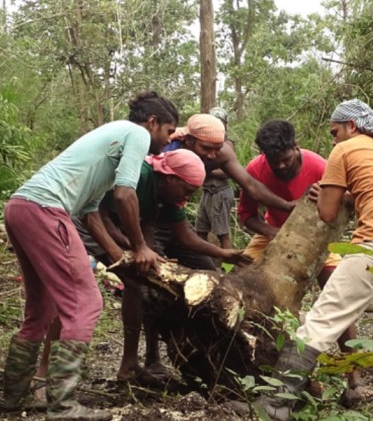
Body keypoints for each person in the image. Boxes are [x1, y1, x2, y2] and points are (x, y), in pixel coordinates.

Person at [235, 99, 373, 421]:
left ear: (352, 126)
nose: (334, 140)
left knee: (322, 322)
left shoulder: (345, 150)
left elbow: (326, 213)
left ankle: (274, 407)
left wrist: (326, 194)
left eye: (335, 132)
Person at [1, 91, 177, 421]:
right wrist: (140, 246)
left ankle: (13, 395)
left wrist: (120, 256)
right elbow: (125, 194)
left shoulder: (111, 143)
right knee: (86, 302)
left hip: (20, 206)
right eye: (169, 132)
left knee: (41, 308)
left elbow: (90, 213)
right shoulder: (136, 134)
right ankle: (63, 404)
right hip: (45, 208)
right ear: (153, 123)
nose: (168, 142)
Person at [83, 149, 251, 385]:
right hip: (86, 221)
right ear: (171, 177)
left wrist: (222, 254)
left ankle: (153, 358)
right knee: (120, 288)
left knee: (150, 282)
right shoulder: (140, 174)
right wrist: (132, 248)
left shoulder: (168, 194)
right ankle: (127, 363)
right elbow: (100, 212)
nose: (189, 197)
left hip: (120, 230)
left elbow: (172, 232)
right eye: (187, 191)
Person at [238, 119, 366, 398]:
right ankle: (243, 365)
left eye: (285, 160)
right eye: (274, 162)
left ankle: (354, 379)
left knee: (337, 293)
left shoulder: (321, 166)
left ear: (296, 147)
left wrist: (338, 194)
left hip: (320, 236)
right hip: (273, 233)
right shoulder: (255, 170)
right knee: (238, 283)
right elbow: (247, 216)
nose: (281, 167)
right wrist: (277, 234)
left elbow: (355, 199)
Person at [168, 114, 297, 216]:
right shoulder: (167, 151)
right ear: (189, 140)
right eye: (206, 148)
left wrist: (286, 206)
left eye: (217, 149)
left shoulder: (222, 154)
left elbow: (251, 186)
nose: (212, 155)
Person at [193, 107, 235, 250]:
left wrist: (201, 171)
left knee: (223, 234)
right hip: (207, 192)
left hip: (220, 192)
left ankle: (228, 268)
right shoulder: (204, 143)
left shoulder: (226, 144)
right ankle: (203, 265)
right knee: (200, 231)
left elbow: (226, 173)